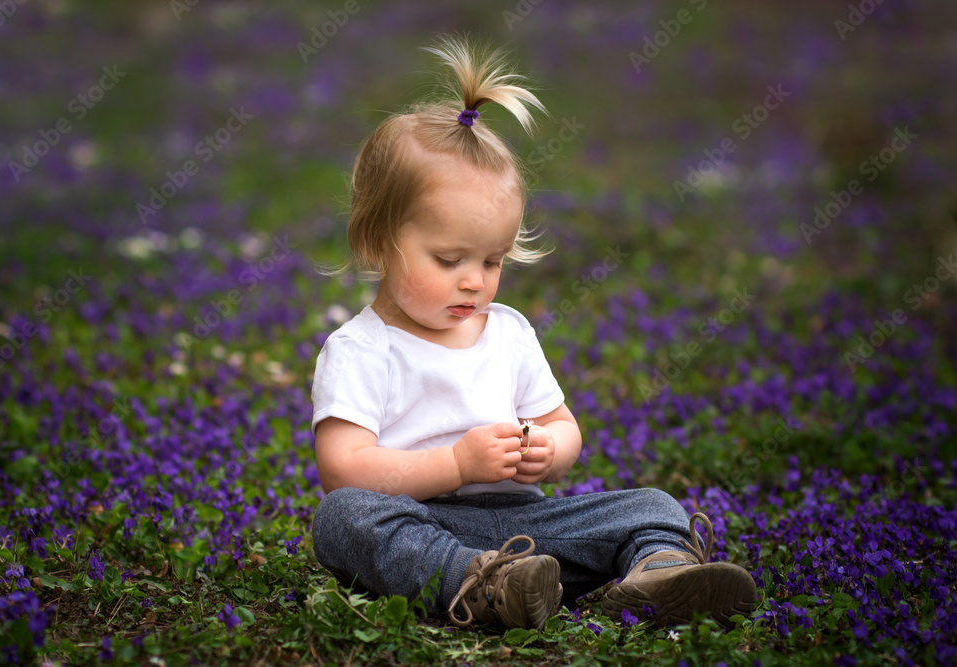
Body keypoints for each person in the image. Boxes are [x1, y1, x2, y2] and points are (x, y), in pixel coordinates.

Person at [310, 36, 756, 631]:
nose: (473, 282)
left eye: (491, 262)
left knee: (652, 505)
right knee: (342, 519)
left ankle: (659, 573)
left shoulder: (508, 333)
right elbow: (344, 469)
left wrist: (550, 453)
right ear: (375, 244)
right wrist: (457, 464)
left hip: (530, 528)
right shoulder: (359, 350)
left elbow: (561, 425)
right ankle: (481, 583)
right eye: (449, 260)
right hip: (429, 528)